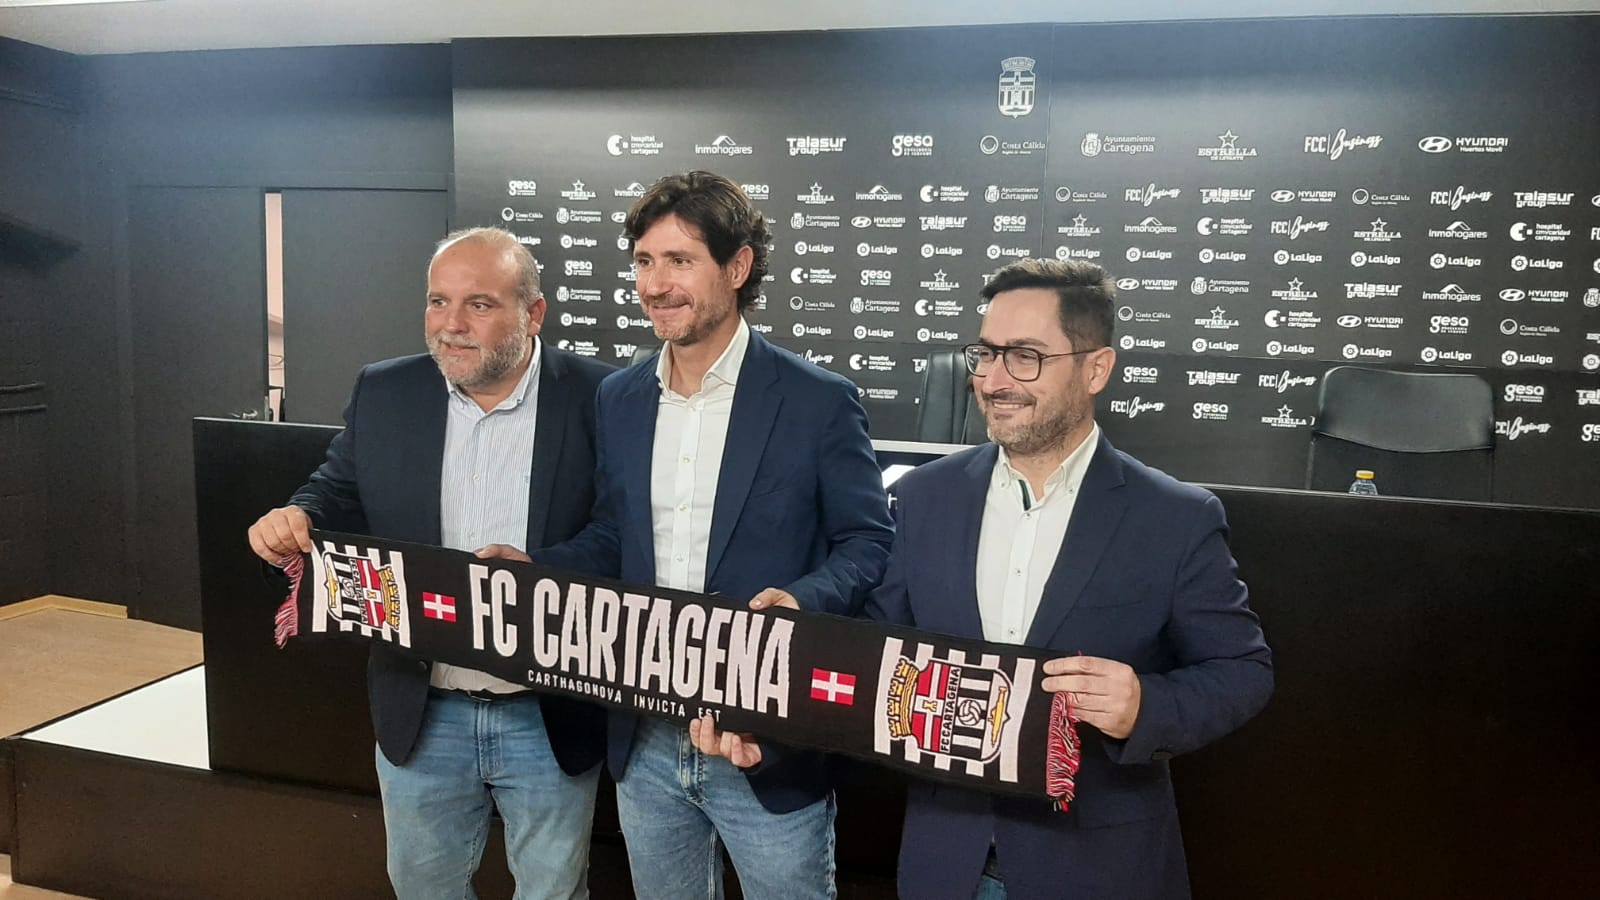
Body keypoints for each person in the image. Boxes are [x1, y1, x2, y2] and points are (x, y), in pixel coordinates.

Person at [488, 171, 894, 900]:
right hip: (644, 740)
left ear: (737, 268)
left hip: (764, 740)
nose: (655, 283)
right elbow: (616, 536)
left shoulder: (818, 401)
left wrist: (800, 600)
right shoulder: (621, 397)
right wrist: (535, 569)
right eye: (644, 261)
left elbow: (868, 543)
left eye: (680, 261)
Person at [866, 258, 1273, 900]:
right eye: (987, 353)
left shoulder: (1175, 517)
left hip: (1098, 866)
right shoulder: (924, 497)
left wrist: (1145, 704)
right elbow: (876, 646)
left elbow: (1242, 671)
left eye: (1025, 356)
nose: (994, 379)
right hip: (947, 862)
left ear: (1095, 369)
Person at [246, 226, 613, 900]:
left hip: (548, 710)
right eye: (437, 302)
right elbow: (336, 490)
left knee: (555, 891)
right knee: (423, 889)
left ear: (533, 314)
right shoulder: (386, 391)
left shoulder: (603, 397)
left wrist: (543, 567)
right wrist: (295, 516)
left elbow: (620, 533)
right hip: (421, 707)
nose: (450, 326)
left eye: (478, 305)